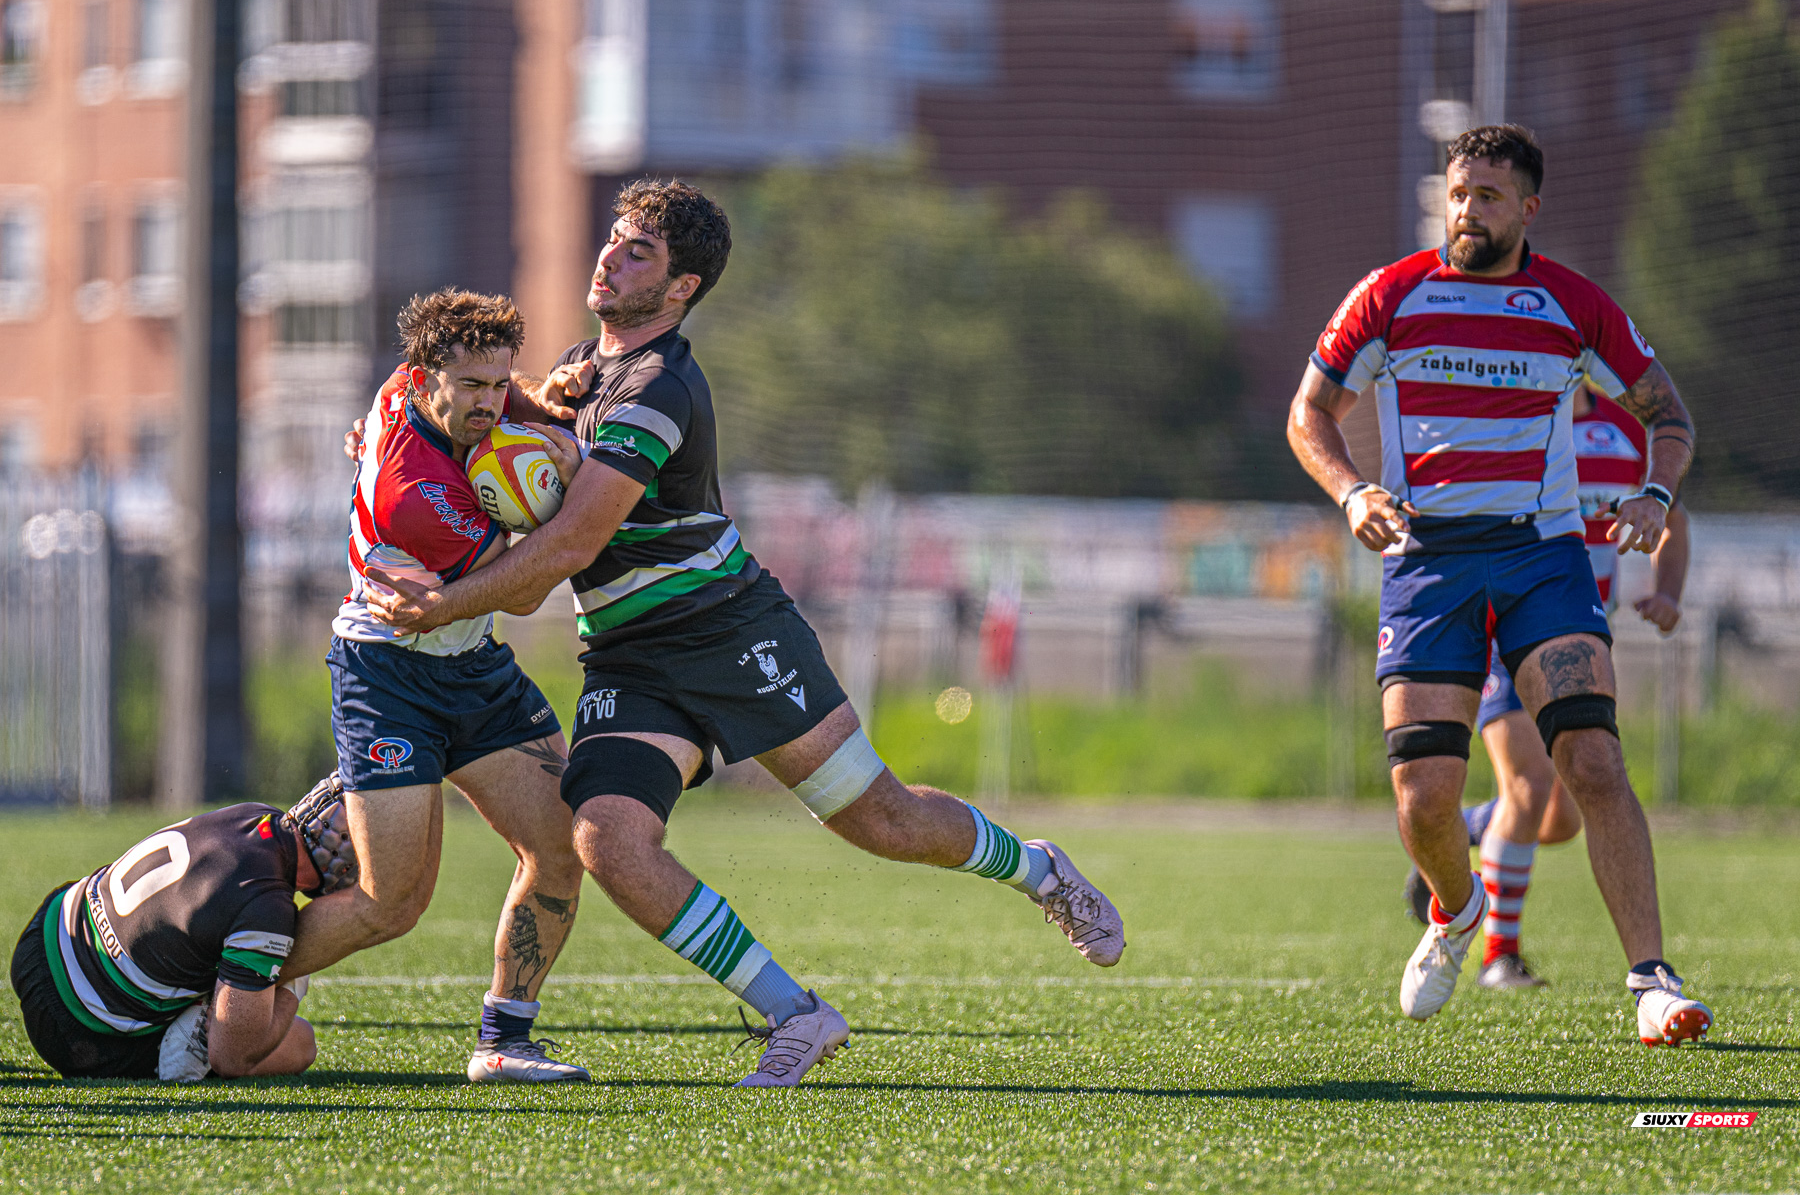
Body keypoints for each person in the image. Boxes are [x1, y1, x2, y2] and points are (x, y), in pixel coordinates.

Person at [359, 179, 1125, 1087]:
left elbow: (573, 539)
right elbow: (490, 404)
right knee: (607, 837)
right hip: (629, 654)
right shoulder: (586, 369)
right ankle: (795, 1014)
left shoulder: (659, 387)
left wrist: (445, 604)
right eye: (613, 239)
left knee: (878, 819)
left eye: (638, 251)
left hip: (730, 632)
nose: (609, 257)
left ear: (681, 288)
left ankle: (1036, 869)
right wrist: (396, 426)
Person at [1287, 124, 1711, 1045]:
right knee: (1424, 799)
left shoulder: (1571, 303)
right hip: (1427, 560)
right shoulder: (1390, 296)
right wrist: (1352, 489)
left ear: (1528, 207)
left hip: (1540, 557)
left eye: (1487, 195)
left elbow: (1667, 413)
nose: (1467, 209)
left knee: (1592, 763)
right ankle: (1456, 910)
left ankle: (1651, 981)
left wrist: (1652, 492)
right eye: (1457, 192)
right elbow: (1308, 413)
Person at [280, 289, 591, 1083]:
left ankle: (504, 1040)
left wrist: (535, 401)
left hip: (474, 669)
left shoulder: (404, 386)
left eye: (500, 383)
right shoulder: (414, 494)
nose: (491, 403)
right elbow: (520, 590)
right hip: (387, 678)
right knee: (392, 905)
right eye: (473, 388)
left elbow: (494, 393)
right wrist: (579, 483)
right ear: (426, 381)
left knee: (560, 849)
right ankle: (234, 980)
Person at [1403, 387, 1691, 993]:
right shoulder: (1514, 423)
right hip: (1501, 631)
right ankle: (1497, 957)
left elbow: (1673, 519)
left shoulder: (1623, 432)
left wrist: (1667, 592)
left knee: (1559, 818)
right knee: (1529, 787)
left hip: (1576, 637)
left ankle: (1450, 831)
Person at [8, 778, 355, 1081]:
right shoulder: (268, 904)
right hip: (77, 1032)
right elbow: (232, 1057)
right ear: (345, 861)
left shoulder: (255, 813)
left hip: (43, 935)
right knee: (300, 1043)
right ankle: (176, 1055)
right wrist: (295, 983)